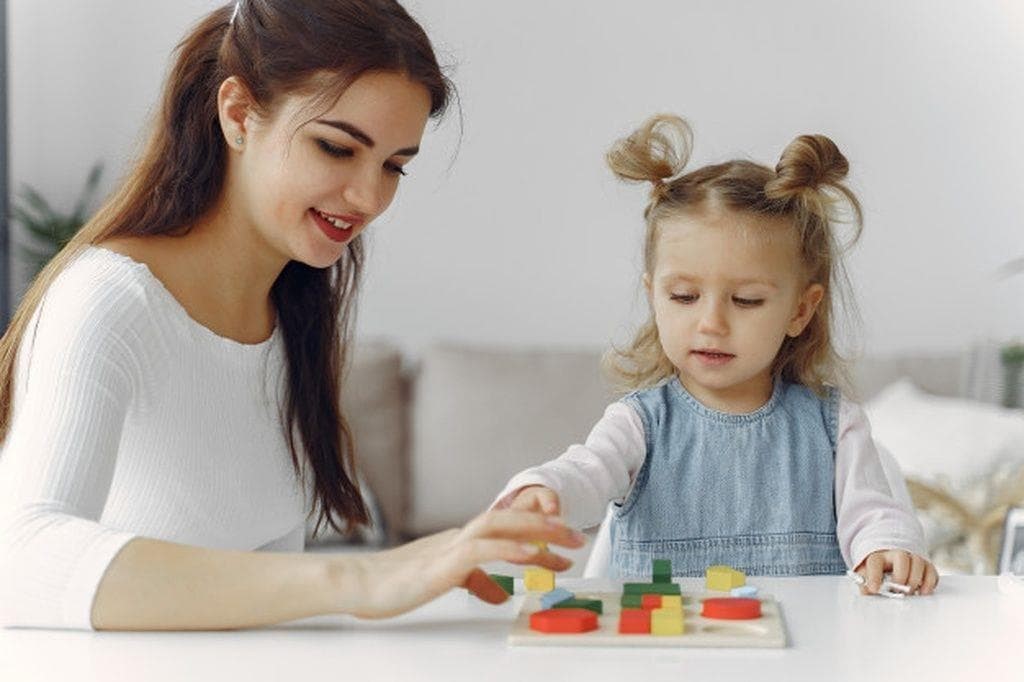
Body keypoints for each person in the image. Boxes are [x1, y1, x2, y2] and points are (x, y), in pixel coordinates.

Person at [0, 0, 583, 631]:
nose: (369, 198)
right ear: (239, 114)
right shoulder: (110, 300)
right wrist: (364, 576)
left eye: (394, 167)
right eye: (336, 148)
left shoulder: (291, 313)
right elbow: (17, 560)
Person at [493, 114, 939, 596]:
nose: (711, 324)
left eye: (746, 300)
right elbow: (586, 472)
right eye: (684, 297)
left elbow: (874, 513)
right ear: (653, 297)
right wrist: (544, 493)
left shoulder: (835, 427)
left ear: (800, 310)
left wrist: (887, 547)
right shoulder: (639, 424)